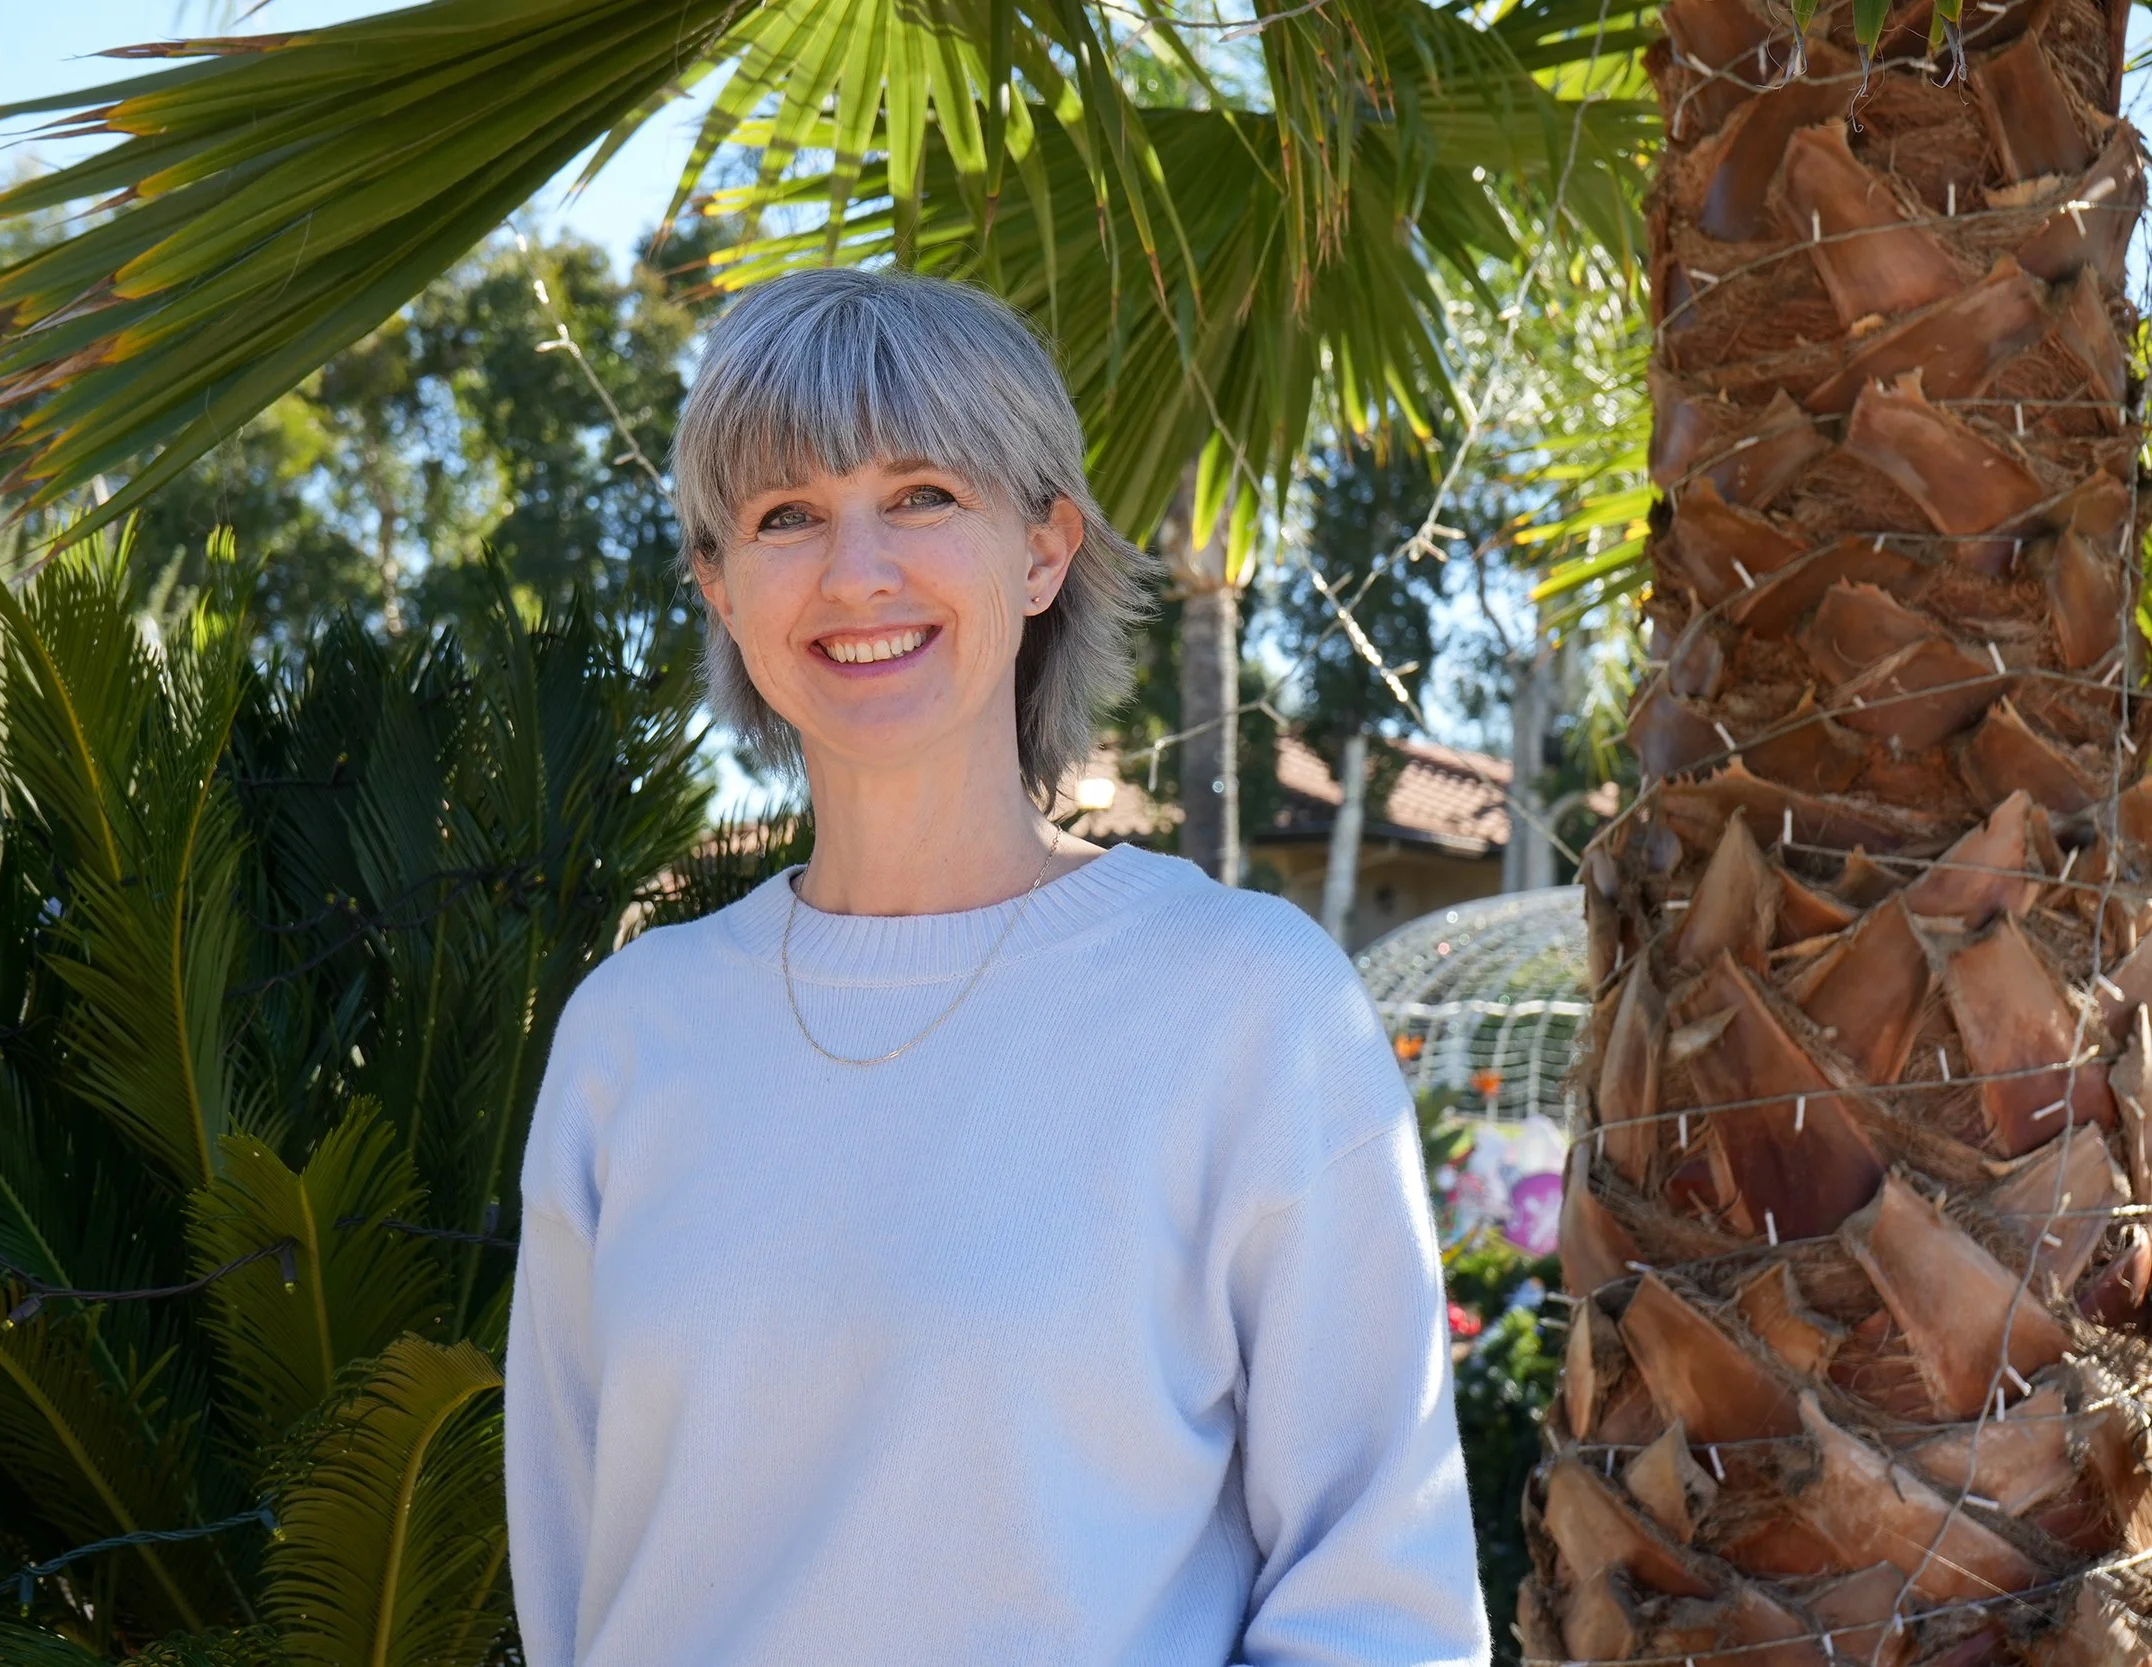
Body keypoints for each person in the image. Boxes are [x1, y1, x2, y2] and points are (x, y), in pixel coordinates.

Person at [504, 267, 1485, 1667]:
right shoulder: (631, 1035)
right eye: (788, 516)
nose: (858, 573)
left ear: (1043, 549)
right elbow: (572, 1576)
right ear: (720, 588)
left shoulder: (1245, 1003)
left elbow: (1382, 1600)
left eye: (923, 496)